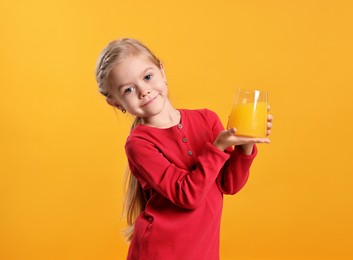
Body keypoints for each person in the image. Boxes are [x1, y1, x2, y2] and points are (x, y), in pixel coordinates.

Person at [95, 38, 273, 260]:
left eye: (148, 77)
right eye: (129, 89)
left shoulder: (206, 119)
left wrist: (246, 142)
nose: (144, 91)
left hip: (202, 251)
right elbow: (187, 195)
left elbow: (230, 183)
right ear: (116, 103)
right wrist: (217, 147)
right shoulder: (139, 144)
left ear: (162, 71)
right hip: (159, 253)